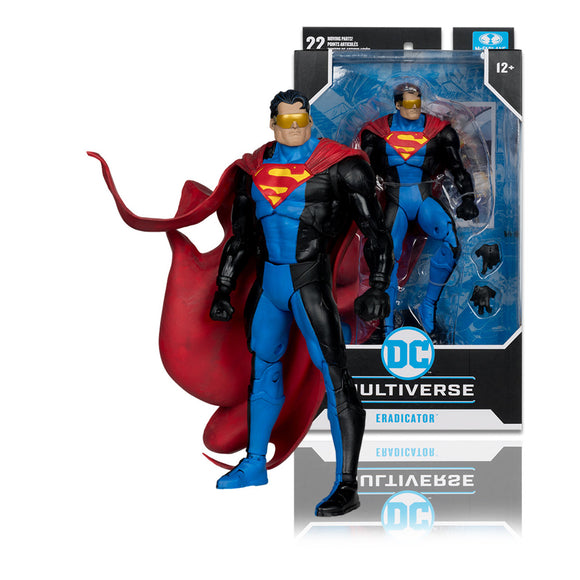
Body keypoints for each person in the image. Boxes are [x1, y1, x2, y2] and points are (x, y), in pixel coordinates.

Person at [210, 90, 392, 516]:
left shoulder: (341, 166)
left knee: (335, 376)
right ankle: (255, 463)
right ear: (273, 124)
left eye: (301, 120)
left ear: (310, 120)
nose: (294, 128)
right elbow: (241, 236)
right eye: (286, 122)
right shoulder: (253, 169)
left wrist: (379, 286)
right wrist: (224, 287)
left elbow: (375, 230)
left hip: (309, 281)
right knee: (263, 370)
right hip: (269, 284)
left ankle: (347, 484)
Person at [359, 83, 479, 336]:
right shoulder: (375, 133)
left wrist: (468, 198)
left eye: (418, 102)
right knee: (386, 257)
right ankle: (387, 326)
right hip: (395, 201)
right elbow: (361, 174)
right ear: (397, 104)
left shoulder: (440, 132)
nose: (414, 108)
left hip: (424, 198)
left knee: (452, 242)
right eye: (409, 103)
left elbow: (458, 169)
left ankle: (429, 307)